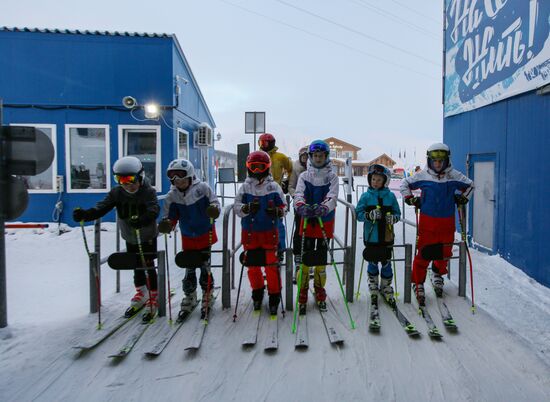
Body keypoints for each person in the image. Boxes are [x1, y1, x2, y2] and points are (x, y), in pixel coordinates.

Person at [73, 156, 160, 322]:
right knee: (135, 264)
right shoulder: (117, 193)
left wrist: (142, 220)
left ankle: (154, 294)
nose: (127, 185)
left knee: (147, 264)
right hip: (129, 235)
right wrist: (86, 214)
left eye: (131, 180)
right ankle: (141, 291)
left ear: (140, 177)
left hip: (146, 236)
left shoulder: (148, 191)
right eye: (121, 180)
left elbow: (154, 209)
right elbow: (102, 207)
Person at [400, 143, 473, 305]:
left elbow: (470, 185)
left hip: (447, 222)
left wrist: (464, 198)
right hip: (427, 221)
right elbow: (404, 184)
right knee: (424, 252)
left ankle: (437, 274)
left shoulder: (454, 175)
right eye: (435, 161)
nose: (438, 164)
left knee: (445, 251)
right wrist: (410, 198)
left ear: (447, 160)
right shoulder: (423, 175)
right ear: (429, 161)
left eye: (441, 161)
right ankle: (418, 282)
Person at [158, 159, 220, 320]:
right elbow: (170, 215)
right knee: (189, 267)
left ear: (191, 176)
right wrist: (167, 224)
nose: (180, 183)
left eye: (183, 179)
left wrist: (213, 210)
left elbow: (215, 202)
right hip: (188, 236)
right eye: (175, 180)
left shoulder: (203, 188)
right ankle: (190, 295)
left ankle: (208, 294)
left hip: (205, 234)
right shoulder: (173, 196)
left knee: (204, 265)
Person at [234, 150, 286, 315]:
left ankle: (274, 294)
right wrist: (246, 208)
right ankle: (257, 291)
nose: (257, 171)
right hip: (250, 233)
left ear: (267, 167)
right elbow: (236, 207)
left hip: (269, 232)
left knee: (271, 265)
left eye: (260, 167)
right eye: (253, 167)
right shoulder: (244, 187)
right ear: (249, 168)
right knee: (252, 265)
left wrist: (277, 212)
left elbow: (284, 206)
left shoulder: (273, 186)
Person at [293, 140, 339, 314]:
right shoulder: (305, 176)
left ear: (326, 157)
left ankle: (320, 290)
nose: (318, 158)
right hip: (307, 221)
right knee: (305, 260)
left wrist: (325, 206)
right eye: (315, 156)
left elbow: (333, 195)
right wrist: (301, 205)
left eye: (321, 156)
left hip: (324, 221)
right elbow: (298, 193)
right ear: (311, 157)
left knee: (320, 260)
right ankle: (303, 290)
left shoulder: (332, 177)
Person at [355, 164, 400, 301]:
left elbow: (397, 213)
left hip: (386, 236)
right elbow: (358, 214)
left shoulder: (390, 197)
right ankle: (373, 283)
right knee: (373, 260)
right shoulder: (366, 196)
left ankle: (386, 286)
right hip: (371, 236)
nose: (375, 182)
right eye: (373, 179)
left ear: (385, 181)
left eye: (379, 180)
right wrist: (368, 215)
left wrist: (393, 218)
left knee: (386, 261)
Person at [258, 133, 292, 258]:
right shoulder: (258, 156)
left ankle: (280, 248)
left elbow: (291, 168)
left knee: (277, 222)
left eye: (265, 143)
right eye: (261, 143)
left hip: (276, 192)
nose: (263, 146)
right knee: (261, 221)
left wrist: (287, 182)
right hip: (260, 192)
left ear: (272, 143)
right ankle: (263, 247)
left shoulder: (280, 157)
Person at [289, 146, 309, 269]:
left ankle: (307, 253)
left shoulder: (314, 169)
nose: (306, 159)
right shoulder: (296, 168)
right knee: (299, 229)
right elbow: (291, 186)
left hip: (312, 204)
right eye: (303, 157)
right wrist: (296, 196)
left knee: (310, 230)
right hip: (300, 204)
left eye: (307, 157)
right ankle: (297, 254)